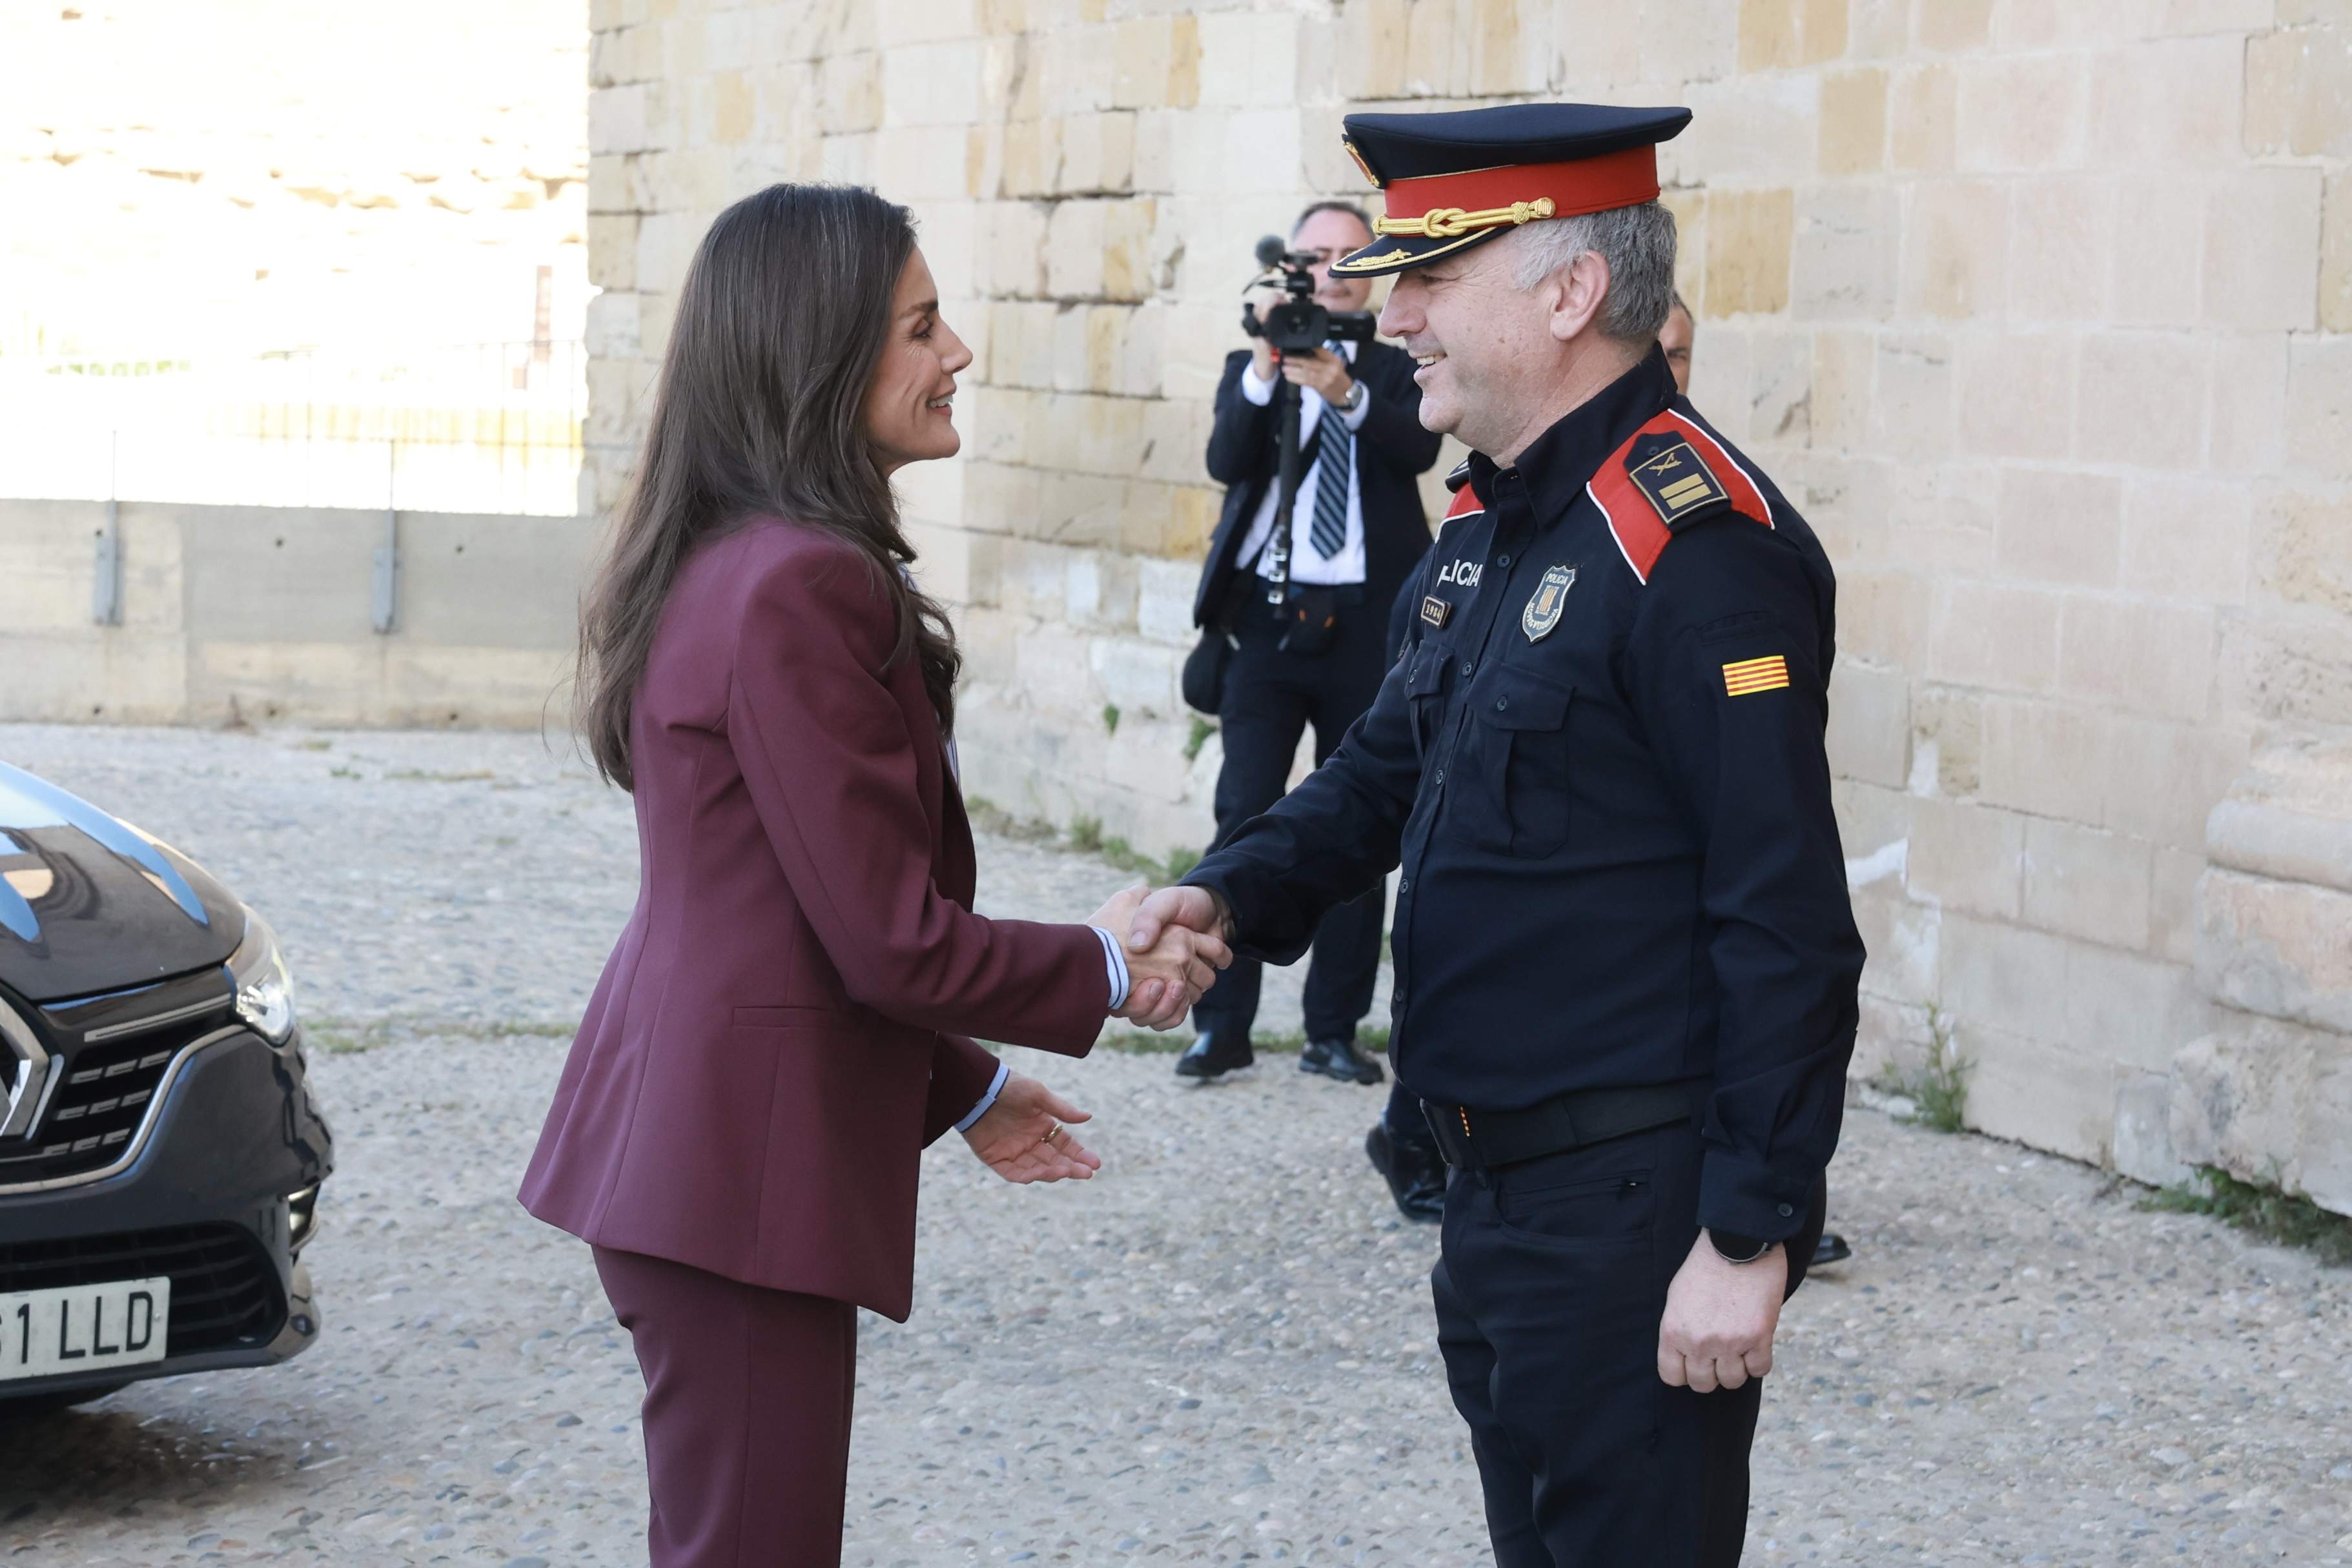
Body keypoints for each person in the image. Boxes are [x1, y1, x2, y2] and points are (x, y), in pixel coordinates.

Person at [1127, 103, 1864, 1566]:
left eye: (1431, 276)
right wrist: (1227, 896)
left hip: (1629, 1215)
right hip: (1492, 1194)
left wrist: (1748, 1235)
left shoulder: (1696, 547)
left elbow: (1781, 913)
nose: (1393, 315)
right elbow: (1384, 773)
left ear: (1569, 292)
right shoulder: (1492, 528)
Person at [517, 183, 1228, 1568]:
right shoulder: (798, 582)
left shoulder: (734, 560)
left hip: (703, 1159)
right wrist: (1102, 958)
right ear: (817, 358)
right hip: (732, 1184)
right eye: (916, 326)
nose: (954, 350)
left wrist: (961, 1085)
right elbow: (888, 941)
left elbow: (781, 911)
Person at [1178, 199, 1443, 1087]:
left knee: (1360, 823)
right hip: (1268, 615)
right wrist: (1266, 369)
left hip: (1367, 619)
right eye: (1312, 254)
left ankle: (1334, 1026)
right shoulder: (1248, 363)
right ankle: (1220, 1025)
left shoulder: (1403, 362)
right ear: (1287, 266)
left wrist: (1347, 392)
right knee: (1243, 805)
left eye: (1345, 255)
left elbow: (1416, 449)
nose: (1327, 269)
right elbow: (1226, 460)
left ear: (1369, 268)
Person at [1658, 288, 1857, 1276]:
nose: (1666, 374)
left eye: (1680, 355)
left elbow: (1787, 910)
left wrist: (1753, 1222)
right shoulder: (1517, 506)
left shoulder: (1714, 534)